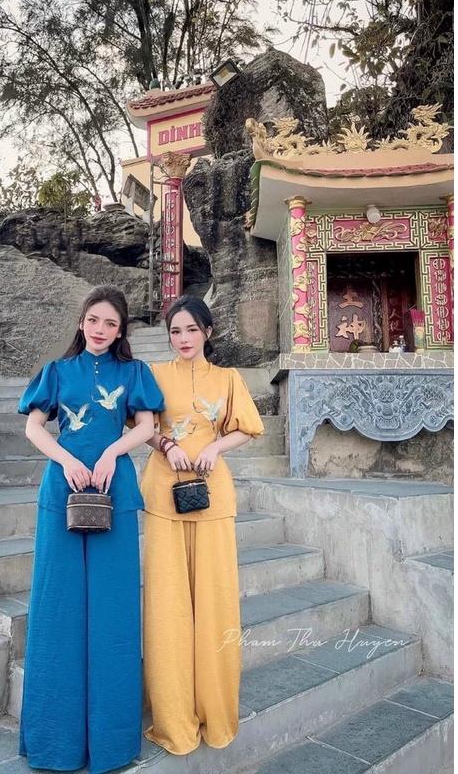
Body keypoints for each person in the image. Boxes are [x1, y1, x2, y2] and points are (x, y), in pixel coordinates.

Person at [16, 286, 164, 774]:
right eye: (94, 320)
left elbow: (146, 426)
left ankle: (111, 744)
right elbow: (34, 428)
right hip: (62, 491)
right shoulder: (57, 372)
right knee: (57, 607)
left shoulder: (133, 373)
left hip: (113, 489)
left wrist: (111, 453)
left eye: (111, 324)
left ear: (121, 332)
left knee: (113, 610)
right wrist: (66, 460)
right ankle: (53, 744)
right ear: (81, 322)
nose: (101, 330)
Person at [139, 295, 265, 755]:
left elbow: (247, 427)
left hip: (212, 496)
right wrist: (167, 445)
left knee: (214, 603)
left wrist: (215, 447)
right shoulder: (153, 375)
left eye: (192, 329)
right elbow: (143, 426)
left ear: (208, 332)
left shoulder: (228, 379)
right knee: (168, 605)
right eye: (176, 331)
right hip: (163, 494)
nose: (184, 338)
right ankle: (173, 717)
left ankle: (215, 711)